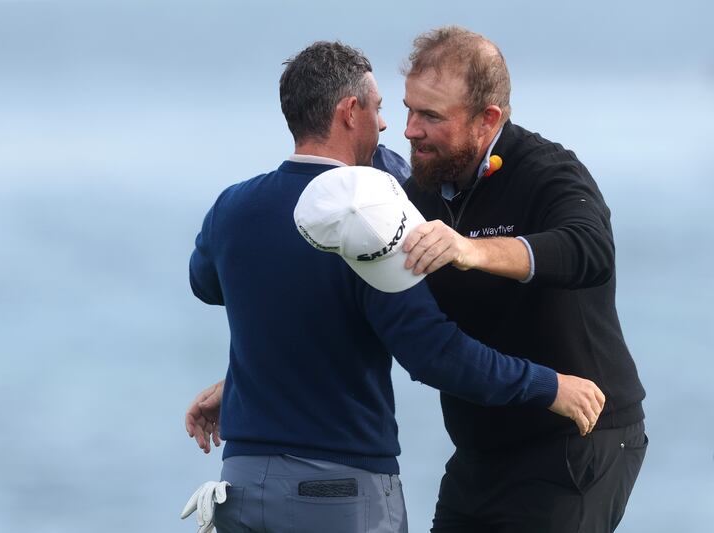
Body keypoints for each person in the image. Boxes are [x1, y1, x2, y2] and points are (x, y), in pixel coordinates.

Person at [183, 41, 604, 533]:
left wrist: (247, 377)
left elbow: (208, 283)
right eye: (379, 108)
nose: (388, 126)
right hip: (337, 493)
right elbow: (431, 353)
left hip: (241, 484)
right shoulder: (373, 227)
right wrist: (547, 385)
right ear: (350, 112)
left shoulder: (232, 207)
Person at [399, 26, 647, 532]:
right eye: (409, 110)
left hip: (578, 437)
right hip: (480, 452)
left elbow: (589, 248)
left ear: (488, 118)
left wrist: (472, 249)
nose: (409, 130)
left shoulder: (547, 171)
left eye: (431, 116)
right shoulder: (419, 191)